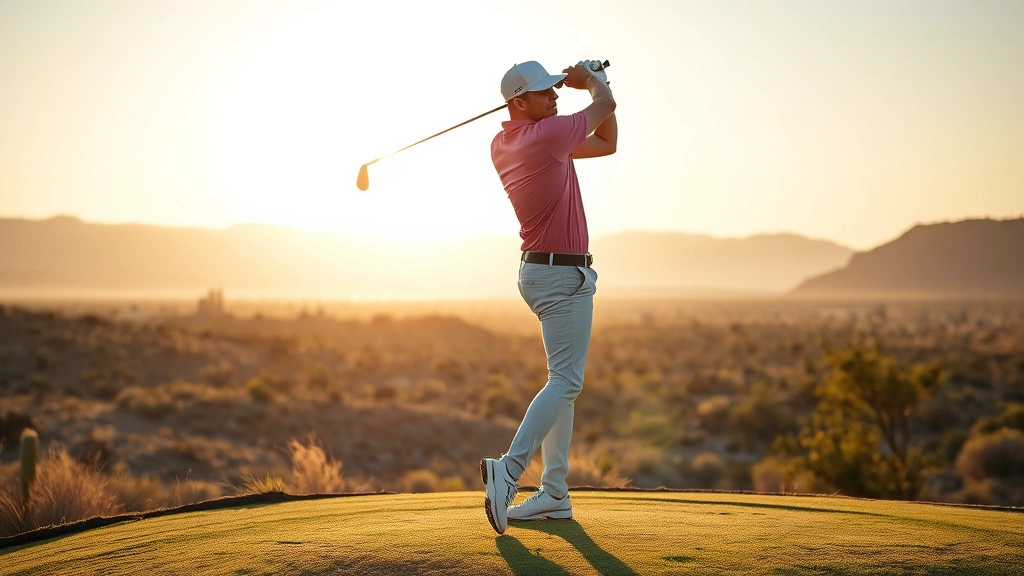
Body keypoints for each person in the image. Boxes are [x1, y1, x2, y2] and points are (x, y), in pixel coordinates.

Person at [481, 60, 617, 534]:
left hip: (544, 272)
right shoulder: (546, 138)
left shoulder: (509, 140)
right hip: (561, 276)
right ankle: (510, 470)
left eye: (556, 89)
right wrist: (592, 82)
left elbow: (606, 143)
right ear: (519, 102)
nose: (555, 96)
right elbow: (605, 108)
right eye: (545, 92)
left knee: (564, 383)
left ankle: (555, 493)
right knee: (566, 382)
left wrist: (585, 87)